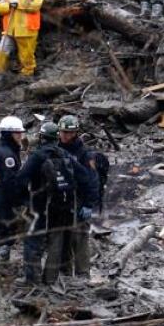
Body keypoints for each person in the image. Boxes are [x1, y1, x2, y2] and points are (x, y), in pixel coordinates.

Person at [12, 122, 98, 284]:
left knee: (33, 241)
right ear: (56, 137)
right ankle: (51, 278)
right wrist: (87, 202)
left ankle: (33, 279)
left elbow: (20, 180)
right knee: (56, 242)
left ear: (42, 138)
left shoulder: (37, 156)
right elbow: (85, 178)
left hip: (39, 207)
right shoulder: (64, 154)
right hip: (61, 205)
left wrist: (23, 200)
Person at [57, 115, 107, 276]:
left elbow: (93, 181)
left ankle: (83, 273)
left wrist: (88, 204)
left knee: (79, 237)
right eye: (62, 132)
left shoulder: (85, 154)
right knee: (63, 236)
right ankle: (65, 271)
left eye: (68, 132)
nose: (65, 135)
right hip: (61, 200)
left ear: (76, 133)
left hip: (80, 199)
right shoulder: (56, 148)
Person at [0, 116, 27, 262]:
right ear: (9, 134)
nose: (20, 136)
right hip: (4, 194)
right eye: (17, 133)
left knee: (1, 220)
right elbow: (10, 181)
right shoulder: (7, 155)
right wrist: (20, 198)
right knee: (8, 223)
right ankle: (2, 254)